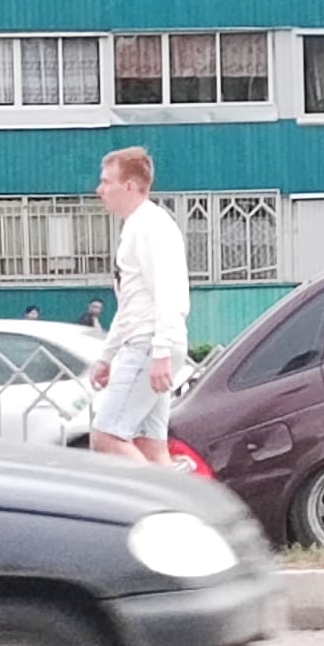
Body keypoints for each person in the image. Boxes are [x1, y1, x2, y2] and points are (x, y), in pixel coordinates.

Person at [91, 146, 189, 468]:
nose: (99, 190)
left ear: (129, 186)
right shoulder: (138, 225)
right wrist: (107, 355)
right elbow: (131, 302)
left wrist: (160, 352)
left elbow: (168, 291)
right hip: (151, 342)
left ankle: (153, 505)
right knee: (151, 446)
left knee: (107, 437)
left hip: (150, 344)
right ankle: (181, 512)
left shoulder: (150, 227)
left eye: (107, 182)